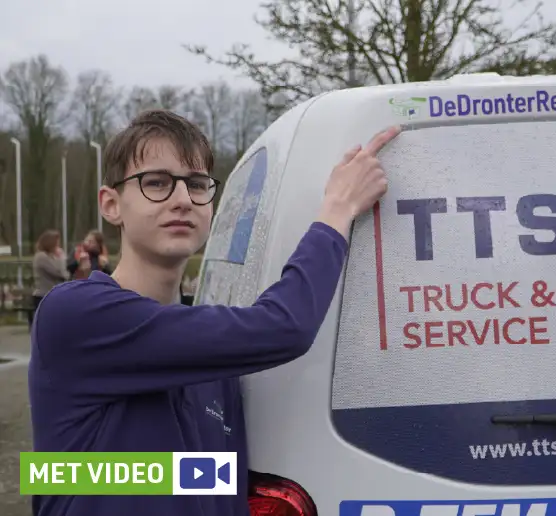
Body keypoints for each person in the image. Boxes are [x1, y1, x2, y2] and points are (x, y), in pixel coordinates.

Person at [28, 109, 399, 516]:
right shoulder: (73, 315)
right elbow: (285, 327)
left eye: (197, 184)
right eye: (156, 183)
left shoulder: (216, 365)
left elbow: (210, 490)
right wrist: (337, 212)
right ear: (111, 204)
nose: (183, 199)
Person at [29, 229, 69, 329]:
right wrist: (62, 258)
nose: (58, 246)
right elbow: (59, 273)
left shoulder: (50, 256)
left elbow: (64, 274)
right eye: (56, 243)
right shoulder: (41, 257)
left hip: (52, 294)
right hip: (43, 295)